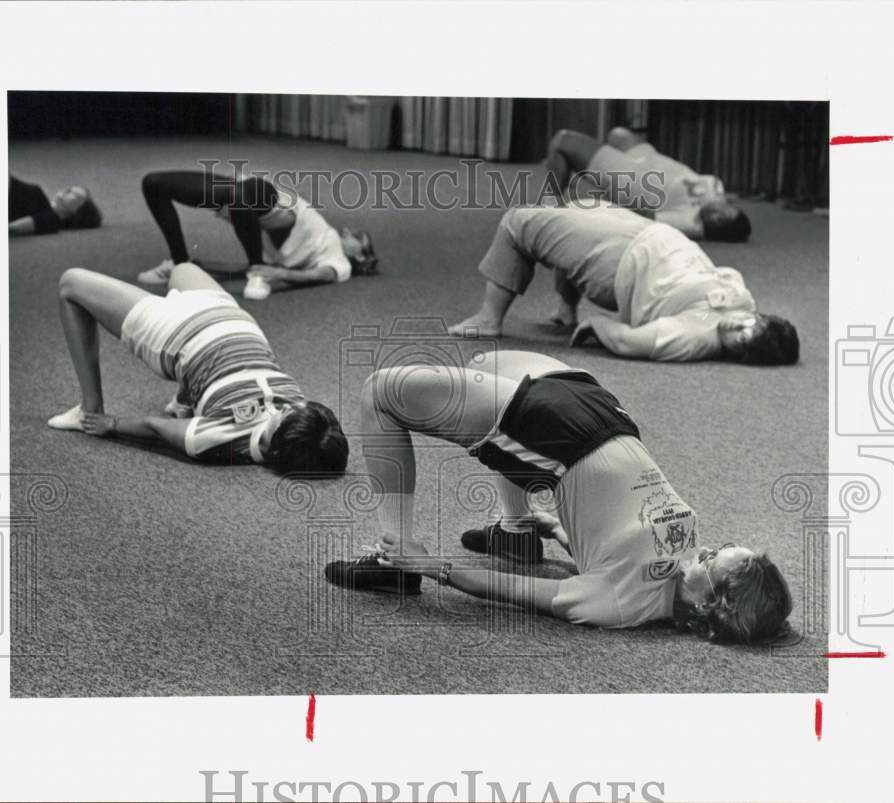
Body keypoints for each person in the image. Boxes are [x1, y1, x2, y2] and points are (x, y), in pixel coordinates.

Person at [324, 350, 793, 644]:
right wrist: (552, 529)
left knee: (382, 392)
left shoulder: (619, 607)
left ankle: (394, 557)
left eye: (711, 560)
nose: (703, 550)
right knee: (483, 365)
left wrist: (434, 568)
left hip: (553, 438)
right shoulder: (679, 572)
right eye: (717, 547)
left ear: (710, 606)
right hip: (605, 414)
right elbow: (608, 550)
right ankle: (516, 529)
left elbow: (524, 592)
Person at [47, 261, 348, 473]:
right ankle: (185, 398)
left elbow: (157, 427)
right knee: (182, 269)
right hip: (229, 315)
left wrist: (110, 424)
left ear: (275, 450)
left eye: (282, 418)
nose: (284, 408)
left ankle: (89, 408)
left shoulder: (219, 440)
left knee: (70, 283)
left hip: (175, 333)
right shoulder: (304, 419)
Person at [447, 203, 799, 364]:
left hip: (623, 262)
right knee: (575, 205)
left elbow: (629, 341)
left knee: (518, 221)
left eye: (740, 338)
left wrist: (597, 326)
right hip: (651, 237)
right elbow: (728, 276)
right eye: (750, 324)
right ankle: (564, 306)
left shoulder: (692, 338)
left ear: (740, 353)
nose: (737, 325)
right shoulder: (743, 305)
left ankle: (489, 318)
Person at [137, 169, 377, 300]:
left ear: (361, 257)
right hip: (268, 198)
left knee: (238, 199)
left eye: (357, 236)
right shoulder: (327, 234)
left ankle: (254, 271)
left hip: (242, 204)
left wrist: (270, 272)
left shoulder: (340, 261)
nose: (347, 230)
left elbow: (321, 275)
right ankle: (179, 263)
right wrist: (268, 271)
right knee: (154, 183)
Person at [545, 127, 751, 243]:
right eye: (726, 210)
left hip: (633, 177)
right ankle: (596, 161)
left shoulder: (690, 222)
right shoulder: (717, 191)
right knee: (618, 134)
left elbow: (641, 216)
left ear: (715, 228)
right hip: (649, 158)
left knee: (563, 141)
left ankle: (550, 207)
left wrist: (609, 197)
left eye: (719, 219)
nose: (718, 209)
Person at [8, 174, 102, 235]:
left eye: (73, 193)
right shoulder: (39, 196)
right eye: (69, 188)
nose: (66, 190)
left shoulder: (51, 220)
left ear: (77, 211)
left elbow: (12, 228)